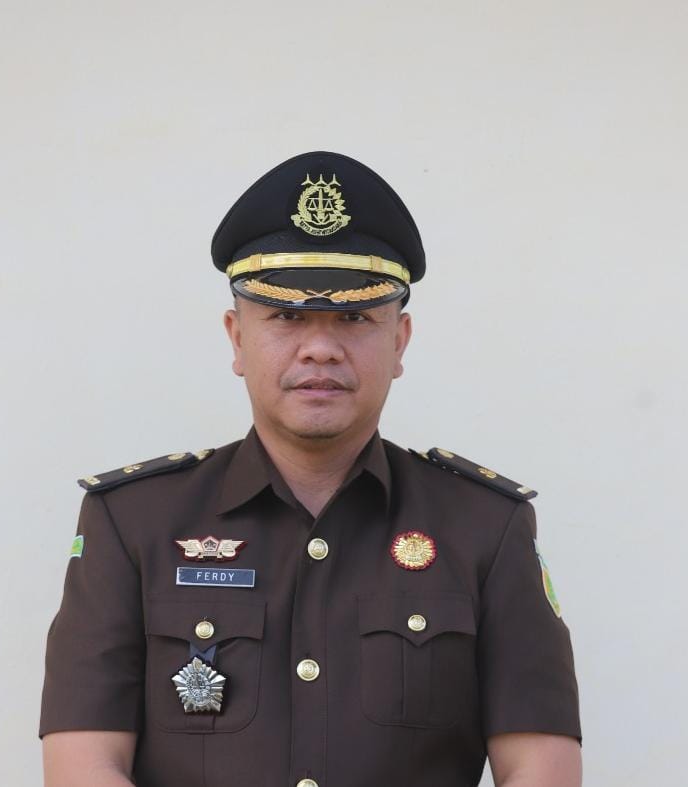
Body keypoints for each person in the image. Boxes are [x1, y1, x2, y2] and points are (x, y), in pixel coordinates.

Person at [40, 151, 582, 787]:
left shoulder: (485, 527)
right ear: (236, 338)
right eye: (286, 316)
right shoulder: (134, 523)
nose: (320, 348)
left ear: (399, 341)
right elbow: (84, 765)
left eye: (354, 318)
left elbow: (541, 768)